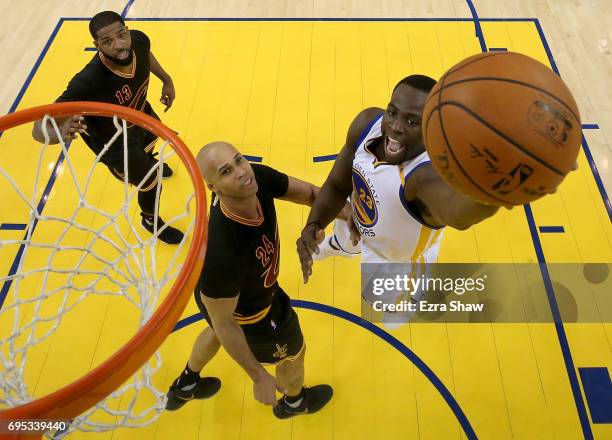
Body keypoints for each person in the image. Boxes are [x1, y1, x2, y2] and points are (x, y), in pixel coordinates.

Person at [166, 142, 351, 418]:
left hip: (223, 298)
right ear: (213, 187)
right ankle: (295, 402)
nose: (241, 172)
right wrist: (258, 376)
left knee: (215, 328)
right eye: (226, 171)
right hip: (248, 314)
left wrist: (353, 217)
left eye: (239, 160)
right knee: (293, 353)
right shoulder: (223, 249)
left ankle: (186, 383)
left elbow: (313, 194)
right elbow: (226, 322)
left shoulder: (256, 179)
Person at [296, 75, 500, 324]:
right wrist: (314, 224)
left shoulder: (425, 176)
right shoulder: (366, 124)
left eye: (412, 120)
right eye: (392, 112)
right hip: (359, 218)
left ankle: (413, 299)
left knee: (385, 315)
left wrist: (494, 194)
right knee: (343, 236)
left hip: (397, 259)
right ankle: (340, 246)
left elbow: (458, 215)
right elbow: (337, 185)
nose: (395, 126)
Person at [31, 11, 183, 244]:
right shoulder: (88, 81)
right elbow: (39, 126)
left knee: (151, 151)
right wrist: (58, 133)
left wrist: (167, 79)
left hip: (141, 117)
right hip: (115, 144)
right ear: (97, 45)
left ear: (128, 31)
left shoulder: (139, 39)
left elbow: (145, 54)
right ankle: (150, 219)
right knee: (151, 182)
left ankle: (151, 160)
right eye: (107, 42)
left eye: (122, 35)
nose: (119, 45)